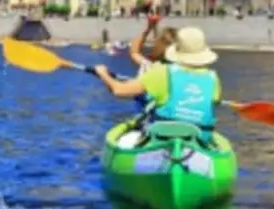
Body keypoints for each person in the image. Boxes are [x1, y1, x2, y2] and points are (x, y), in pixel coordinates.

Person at [94, 26, 222, 148]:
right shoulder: (213, 78)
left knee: (128, 138)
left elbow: (118, 90)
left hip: (162, 138)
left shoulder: (161, 72)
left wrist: (103, 73)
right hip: (198, 140)